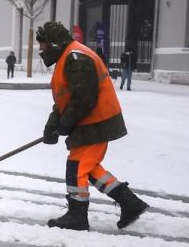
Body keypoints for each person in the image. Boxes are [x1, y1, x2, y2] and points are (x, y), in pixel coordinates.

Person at [36, 22, 149, 231]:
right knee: (89, 167)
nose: (41, 51)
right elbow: (65, 99)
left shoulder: (76, 58)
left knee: (77, 166)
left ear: (54, 44)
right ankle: (130, 203)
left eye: (43, 46)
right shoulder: (68, 57)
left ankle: (77, 216)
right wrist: (52, 125)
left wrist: (63, 125)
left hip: (95, 122)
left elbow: (83, 99)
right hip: (90, 122)